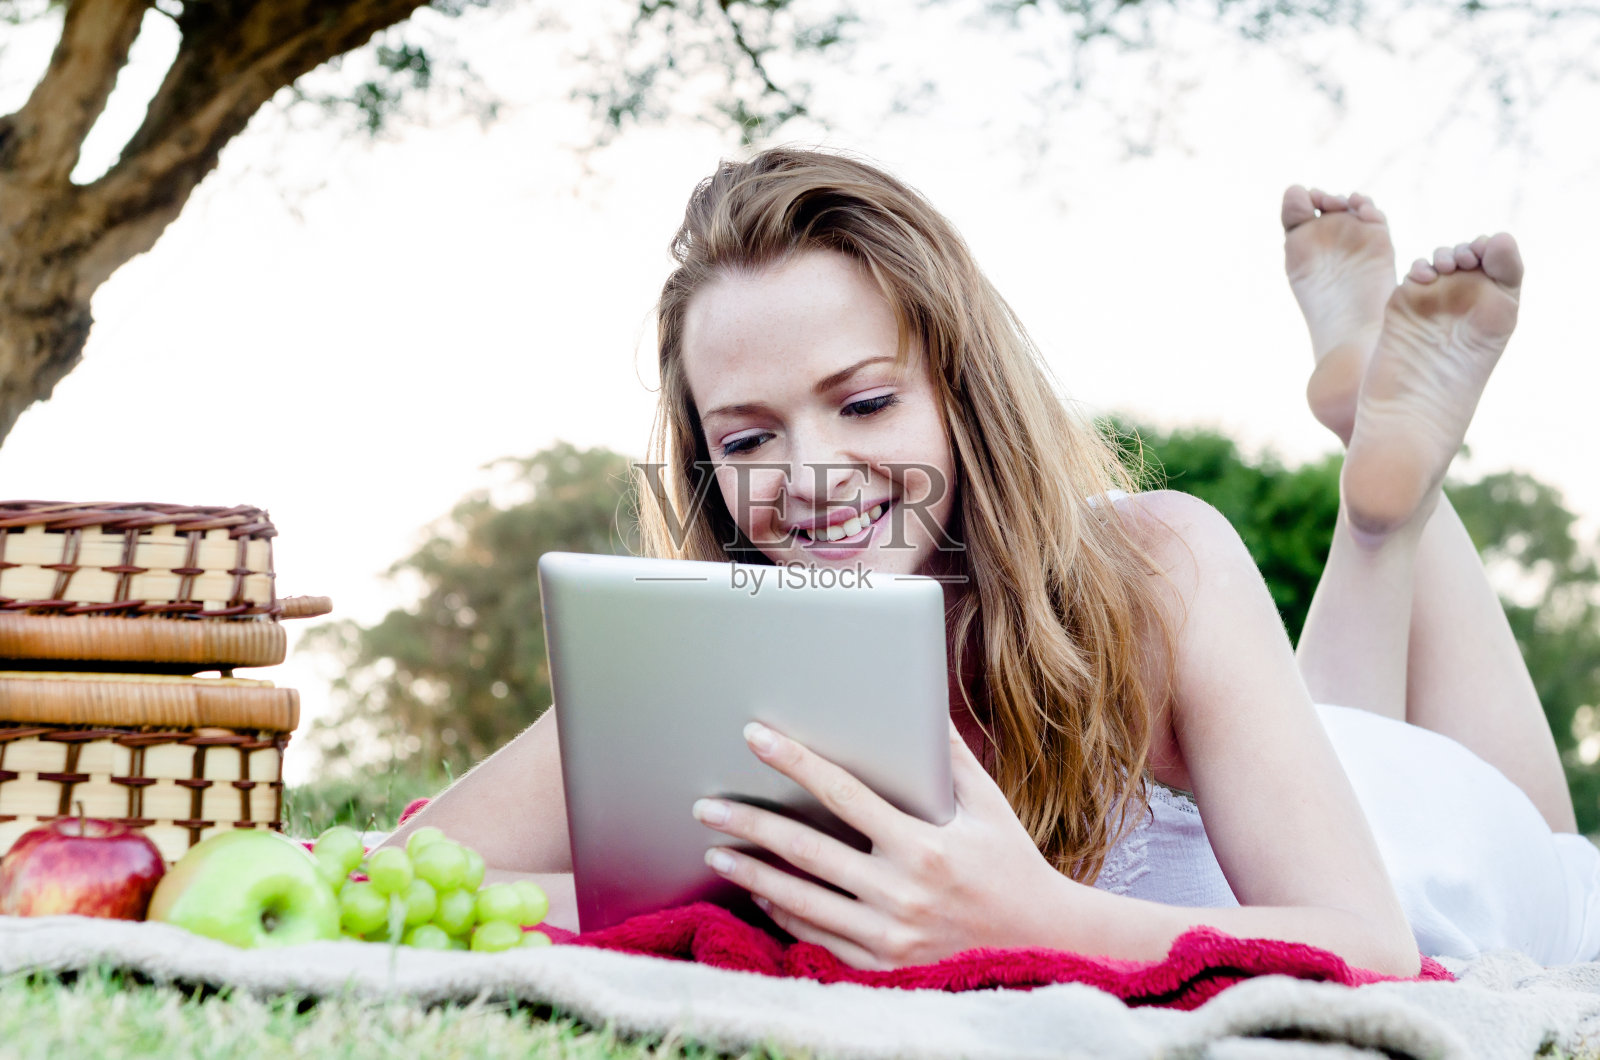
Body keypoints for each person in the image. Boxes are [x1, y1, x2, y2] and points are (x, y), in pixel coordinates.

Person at [383, 148, 1600, 973]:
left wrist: (1035, 917)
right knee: (1317, 718)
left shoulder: (1158, 558)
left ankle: (1389, 489)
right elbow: (419, 875)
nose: (807, 474)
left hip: (1423, 841)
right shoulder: (711, 650)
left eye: (863, 405)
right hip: (1277, 784)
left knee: (1555, 856)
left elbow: (1370, 945)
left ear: (961, 395)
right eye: (748, 436)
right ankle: (1380, 485)